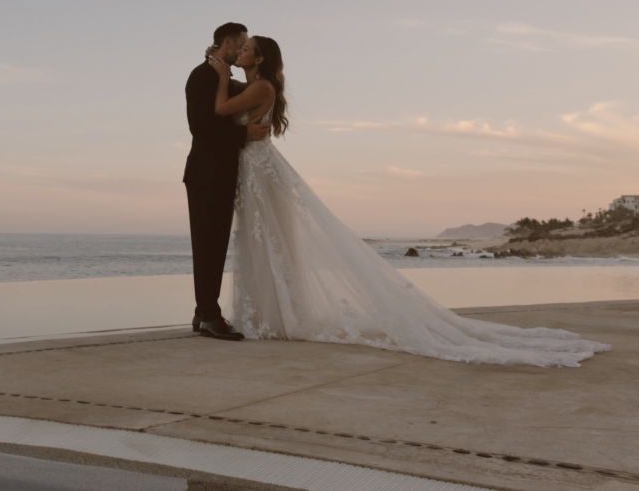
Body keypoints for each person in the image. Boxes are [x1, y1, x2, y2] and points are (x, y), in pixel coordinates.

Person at [205, 35, 610, 366]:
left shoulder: (260, 85)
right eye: (236, 49)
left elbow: (222, 108)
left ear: (259, 58)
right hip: (255, 168)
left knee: (268, 241)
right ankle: (274, 314)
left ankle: (277, 316)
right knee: (264, 242)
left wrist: (221, 74)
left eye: (245, 48)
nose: (238, 51)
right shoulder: (259, 83)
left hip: (259, 170)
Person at [184, 23, 269, 341]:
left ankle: (202, 311)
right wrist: (243, 133)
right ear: (229, 42)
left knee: (215, 244)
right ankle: (209, 315)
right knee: (208, 244)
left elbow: (244, 91)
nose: (244, 50)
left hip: (222, 172)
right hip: (206, 173)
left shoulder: (221, 78)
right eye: (243, 44)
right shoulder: (201, 76)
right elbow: (201, 127)